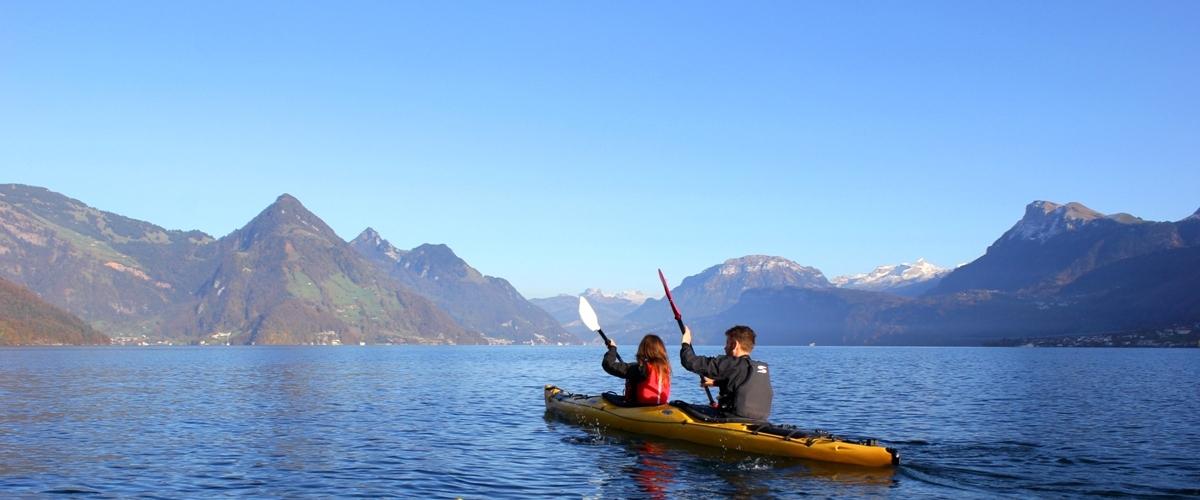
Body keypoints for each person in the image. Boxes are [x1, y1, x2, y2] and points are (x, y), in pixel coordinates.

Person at [679, 324, 773, 421]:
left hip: (730, 418)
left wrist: (686, 342)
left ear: (734, 345)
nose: (724, 348)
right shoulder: (759, 368)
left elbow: (689, 362)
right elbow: (742, 384)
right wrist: (716, 383)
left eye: (727, 343)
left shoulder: (731, 363)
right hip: (759, 420)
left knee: (678, 405)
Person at [602, 334, 672, 405]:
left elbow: (608, 365)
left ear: (642, 350)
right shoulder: (665, 369)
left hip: (640, 407)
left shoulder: (640, 368)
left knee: (604, 397)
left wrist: (612, 349)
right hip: (661, 406)